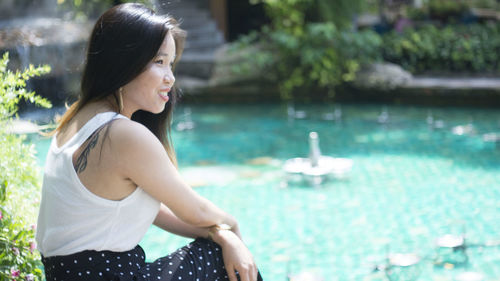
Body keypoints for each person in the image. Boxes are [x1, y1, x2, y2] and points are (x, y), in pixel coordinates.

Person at [36, 3, 263, 281]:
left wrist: (219, 234)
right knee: (220, 261)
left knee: (221, 248)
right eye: (159, 62)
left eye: (171, 63)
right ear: (124, 62)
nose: (171, 78)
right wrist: (233, 228)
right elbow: (196, 210)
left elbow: (156, 208)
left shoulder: (77, 119)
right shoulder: (121, 134)